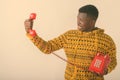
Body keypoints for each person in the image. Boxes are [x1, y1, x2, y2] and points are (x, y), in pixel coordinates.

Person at [24, 4, 117, 80]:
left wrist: (106, 70)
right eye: (78, 18)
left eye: (82, 20)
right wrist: (31, 34)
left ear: (92, 22)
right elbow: (48, 48)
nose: (78, 22)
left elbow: (113, 61)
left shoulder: (106, 40)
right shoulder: (69, 36)